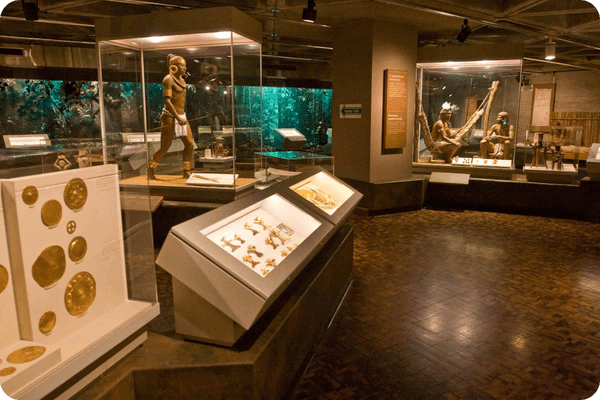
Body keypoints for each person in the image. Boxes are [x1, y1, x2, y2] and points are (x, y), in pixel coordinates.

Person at [147, 54, 194, 180]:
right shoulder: (168, 79)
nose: (185, 68)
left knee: (190, 144)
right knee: (165, 147)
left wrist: (180, 117)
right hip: (169, 116)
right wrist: (177, 118)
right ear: (174, 67)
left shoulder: (182, 80)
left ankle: (186, 171)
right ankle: (150, 169)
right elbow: (167, 102)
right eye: (182, 66)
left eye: (185, 66)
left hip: (181, 115)